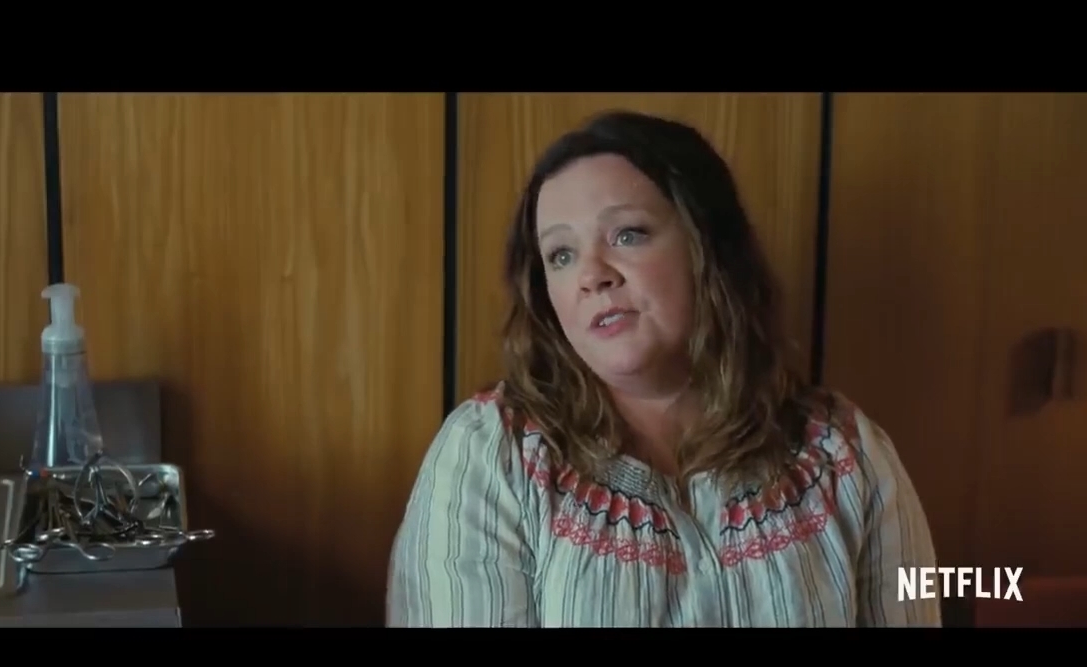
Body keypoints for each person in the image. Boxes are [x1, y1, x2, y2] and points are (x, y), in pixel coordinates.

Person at [386, 109, 941, 628]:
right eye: (561, 255)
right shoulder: (493, 456)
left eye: (627, 234)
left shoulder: (845, 456)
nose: (592, 275)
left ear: (709, 248)